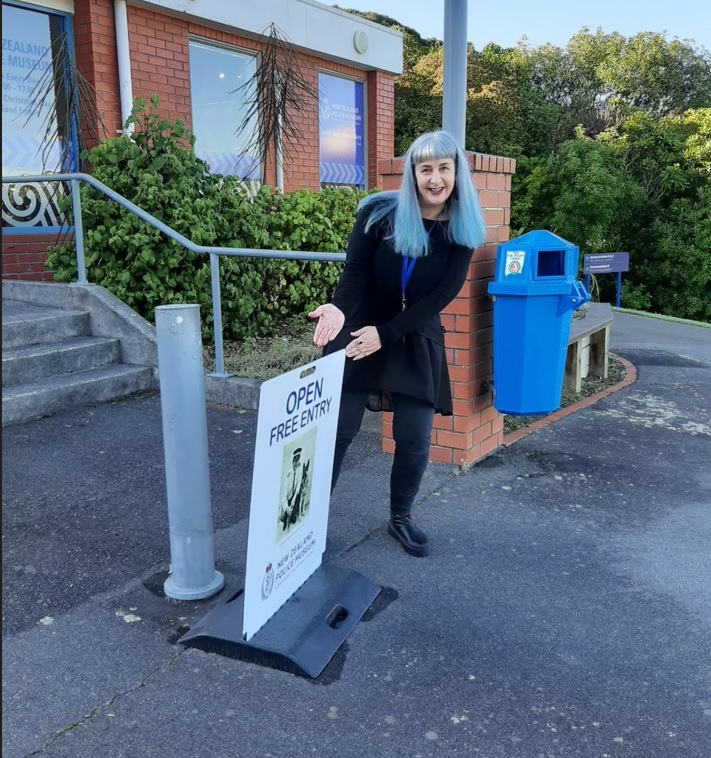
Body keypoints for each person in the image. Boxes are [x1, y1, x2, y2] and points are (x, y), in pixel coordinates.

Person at [309, 129, 486, 557]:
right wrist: (338, 309)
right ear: (412, 173)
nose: (435, 178)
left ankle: (400, 518)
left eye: (444, 168)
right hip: (360, 324)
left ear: (457, 173)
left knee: (415, 438)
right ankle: (308, 521)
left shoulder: (463, 229)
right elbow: (353, 273)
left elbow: (439, 298)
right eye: (425, 168)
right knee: (339, 429)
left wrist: (387, 334)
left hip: (412, 331)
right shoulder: (377, 213)